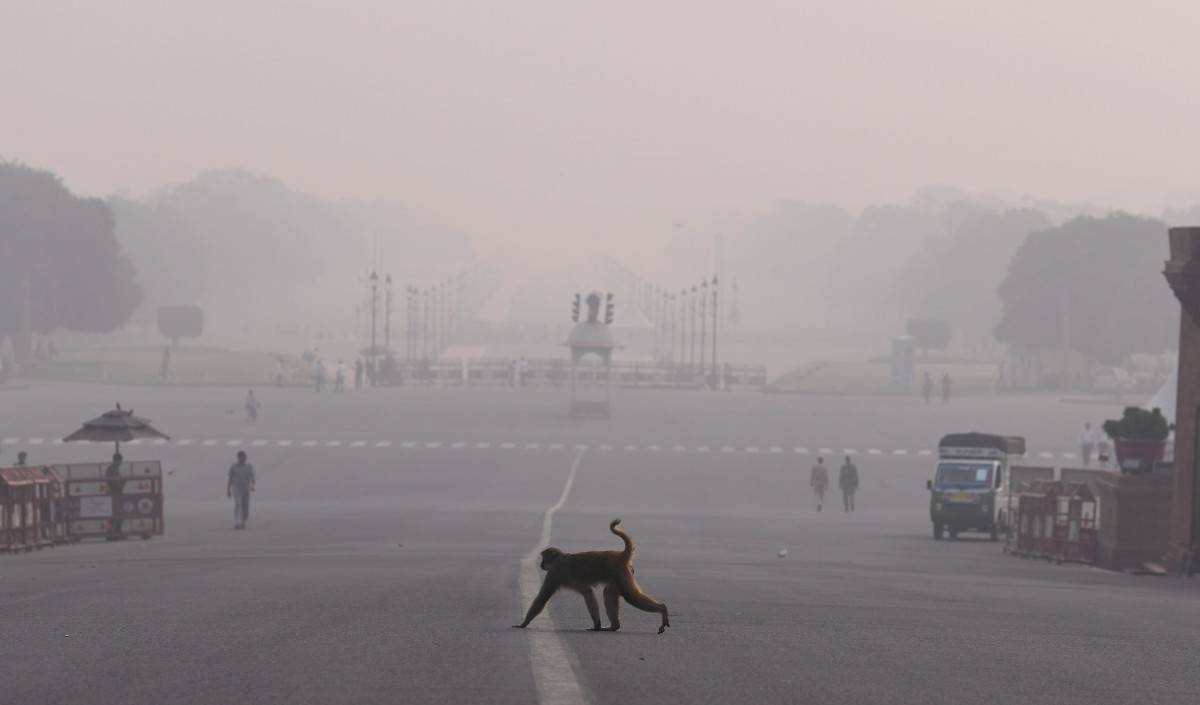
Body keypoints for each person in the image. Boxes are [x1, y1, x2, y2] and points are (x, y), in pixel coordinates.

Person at [227, 450, 256, 530]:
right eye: (243, 456)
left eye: (245, 456)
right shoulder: (234, 466)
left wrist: (252, 485)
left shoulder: (249, 466)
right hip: (236, 487)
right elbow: (230, 478)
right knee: (238, 504)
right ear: (239, 457)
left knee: (245, 506)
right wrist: (228, 489)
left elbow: (252, 477)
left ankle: (243, 521)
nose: (245, 458)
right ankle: (238, 521)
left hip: (245, 487)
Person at [106, 452, 126, 537]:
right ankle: (112, 531)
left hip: (115, 493)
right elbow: (114, 482)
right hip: (114, 494)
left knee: (117, 514)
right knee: (115, 514)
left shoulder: (113, 468)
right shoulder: (112, 469)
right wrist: (121, 483)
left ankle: (115, 530)